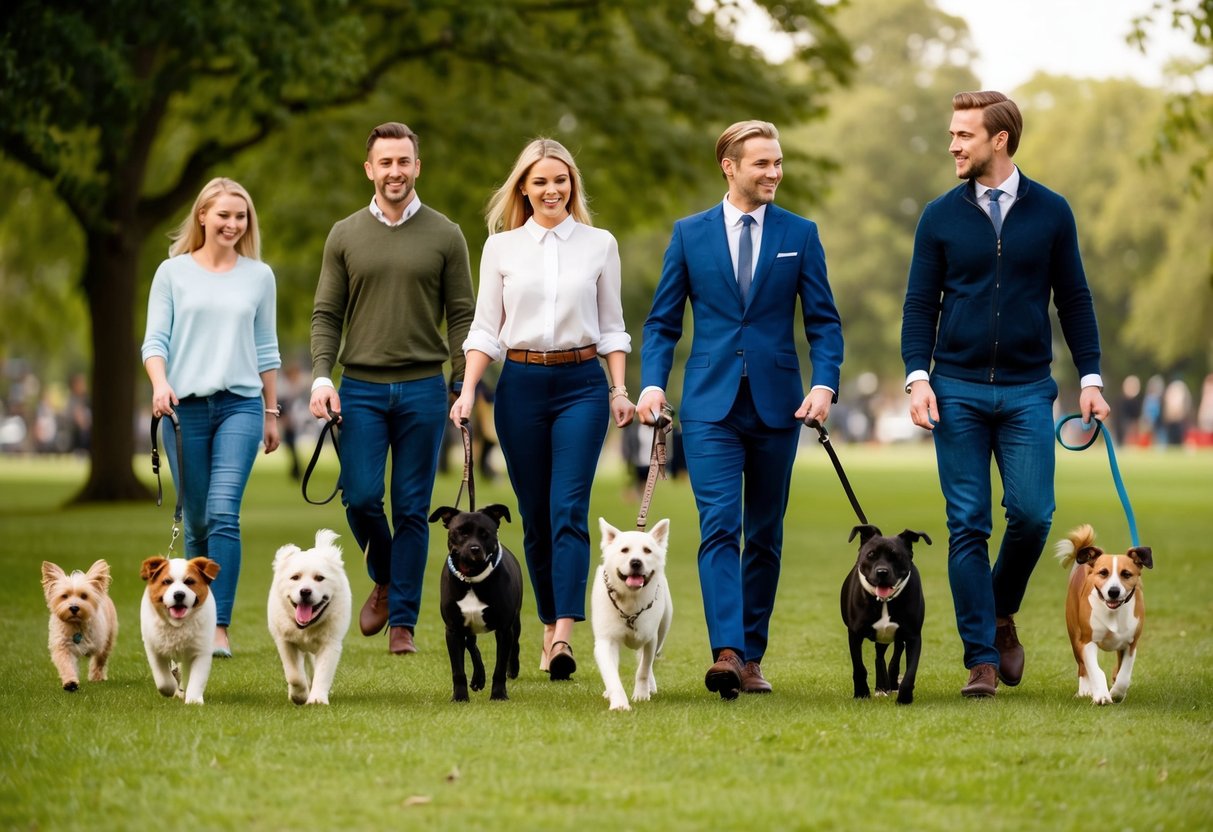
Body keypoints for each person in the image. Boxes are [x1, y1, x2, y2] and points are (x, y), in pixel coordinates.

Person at [901, 91, 1110, 698]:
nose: (953, 145)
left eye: (963, 135)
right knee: (967, 523)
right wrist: (918, 376)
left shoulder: (1051, 211)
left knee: (1033, 515)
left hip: (1026, 391)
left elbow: (1074, 298)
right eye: (952, 134)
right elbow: (919, 304)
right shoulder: (939, 216)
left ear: (1000, 139)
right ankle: (982, 661)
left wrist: (1091, 378)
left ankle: (998, 609)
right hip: (956, 388)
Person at [636, 120, 844, 699]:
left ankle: (752, 655)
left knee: (767, 534)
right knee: (720, 526)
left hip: (782, 407)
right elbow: (661, 323)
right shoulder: (689, 234)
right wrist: (652, 384)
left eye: (778, 163)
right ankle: (726, 652)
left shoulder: (800, 234)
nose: (774, 173)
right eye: (763, 164)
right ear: (729, 166)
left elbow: (824, 324)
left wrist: (825, 385)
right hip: (709, 407)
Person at [450, 138, 635, 681]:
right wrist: (466, 391)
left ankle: (562, 637)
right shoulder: (501, 248)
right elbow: (486, 328)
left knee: (567, 511)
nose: (552, 189)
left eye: (561, 180)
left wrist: (619, 390)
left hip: (581, 383)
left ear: (572, 185)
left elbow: (612, 325)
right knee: (533, 519)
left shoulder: (600, 244)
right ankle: (544, 623)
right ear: (524, 189)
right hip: (521, 386)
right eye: (541, 181)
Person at [310, 122, 475, 656]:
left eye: (404, 161)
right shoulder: (345, 233)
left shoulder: (446, 234)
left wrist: (461, 382)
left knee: (410, 507)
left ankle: (402, 619)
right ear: (370, 169)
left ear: (416, 166)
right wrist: (320, 374)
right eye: (386, 162)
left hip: (426, 389)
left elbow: (462, 316)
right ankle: (383, 574)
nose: (395, 171)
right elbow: (326, 313)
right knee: (359, 498)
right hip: (360, 388)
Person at [141, 176, 281, 658]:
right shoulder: (172, 273)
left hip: (241, 404)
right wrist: (161, 384)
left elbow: (266, 348)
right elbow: (155, 340)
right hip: (185, 410)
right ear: (203, 215)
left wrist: (270, 411)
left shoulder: (259, 276)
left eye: (240, 216)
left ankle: (218, 626)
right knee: (197, 518)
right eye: (224, 215)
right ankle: (193, 625)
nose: (233, 224)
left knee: (224, 512)